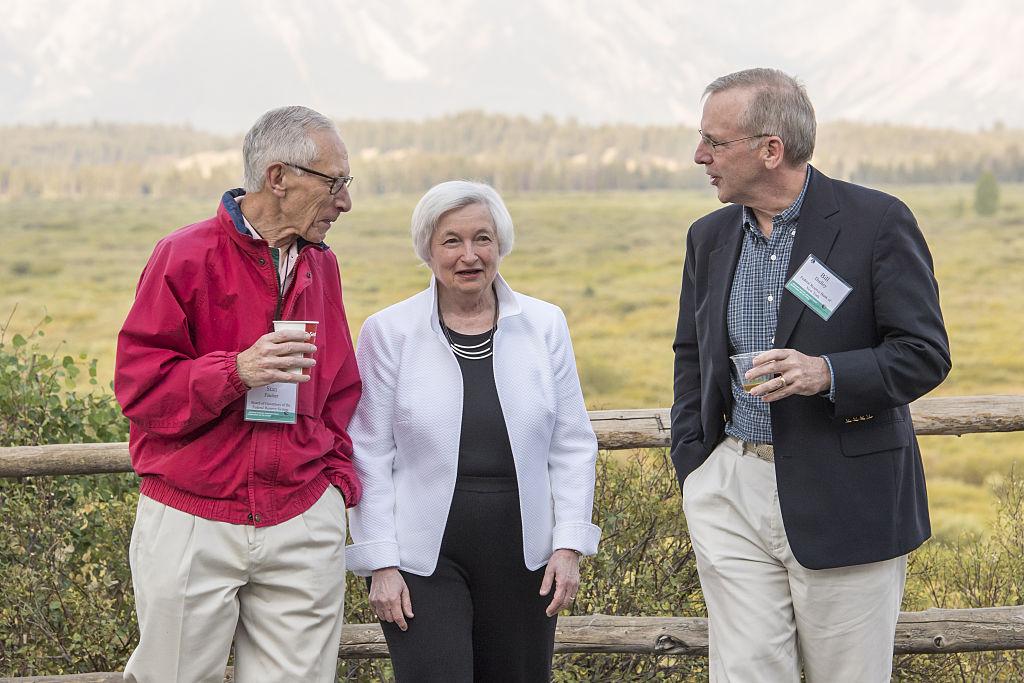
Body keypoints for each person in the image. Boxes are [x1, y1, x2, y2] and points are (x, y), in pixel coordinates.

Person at [671, 68, 951, 682]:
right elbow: (691, 353)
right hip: (729, 490)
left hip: (845, 493)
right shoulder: (709, 236)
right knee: (745, 674)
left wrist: (826, 373)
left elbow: (924, 352)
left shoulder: (876, 222)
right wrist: (696, 461)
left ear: (771, 150)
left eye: (715, 143)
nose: (700, 156)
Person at [114, 105, 361, 683]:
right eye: (335, 183)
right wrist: (237, 371)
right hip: (191, 516)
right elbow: (139, 388)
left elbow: (340, 389)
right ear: (278, 178)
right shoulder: (184, 255)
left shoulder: (321, 266)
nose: (346, 202)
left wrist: (334, 486)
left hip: (300, 515)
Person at [346, 180, 601, 682]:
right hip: (422, 560)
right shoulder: (388, 331)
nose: (469, 255)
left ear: (500, 245)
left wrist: (569, 545)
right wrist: (380, 561)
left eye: (482, 239)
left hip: (526, 555)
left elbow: (571, 444)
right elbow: (368, 451)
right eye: (451, 241)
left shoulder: (545, 324)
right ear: (427, 250)